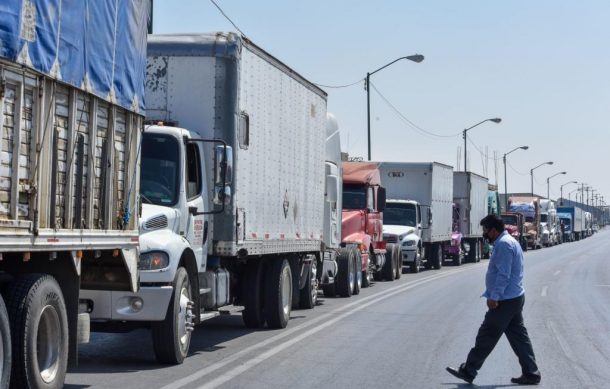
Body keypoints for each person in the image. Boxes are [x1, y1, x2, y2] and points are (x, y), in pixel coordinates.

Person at [446, 214, 541, 385]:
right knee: (519, 337)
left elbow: (504, 274)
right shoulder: (509, 241)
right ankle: (531, 373)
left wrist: (494, 297)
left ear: (494, 230)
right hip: (514, 297)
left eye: (486, 231)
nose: (485, 234)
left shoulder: (504, 245)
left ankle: (469, 370)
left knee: (487, 335)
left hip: (505, 300)